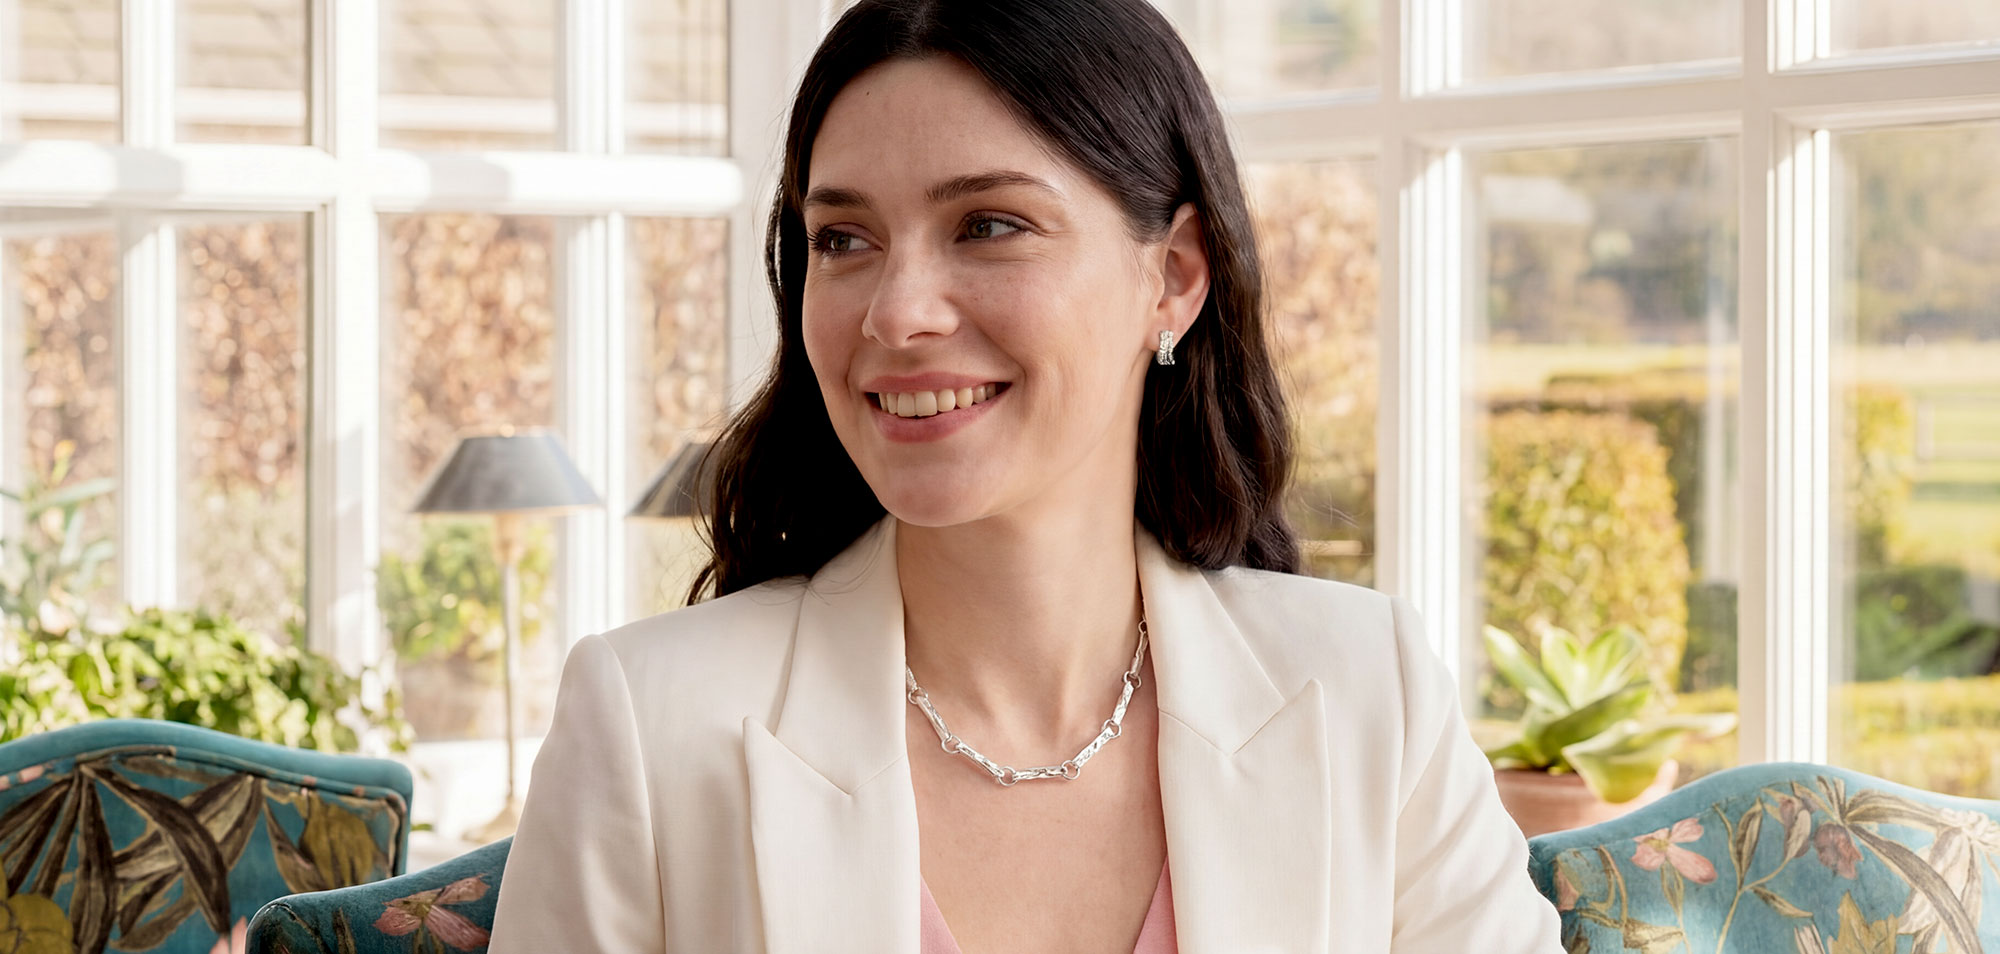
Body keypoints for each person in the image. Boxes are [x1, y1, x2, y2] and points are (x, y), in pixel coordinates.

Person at [488, 0, 1563, 950]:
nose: (897, 312)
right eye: (843, 238)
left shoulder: (1368, 690)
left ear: (1173, 278)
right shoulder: (646, 722)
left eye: (989, 225)